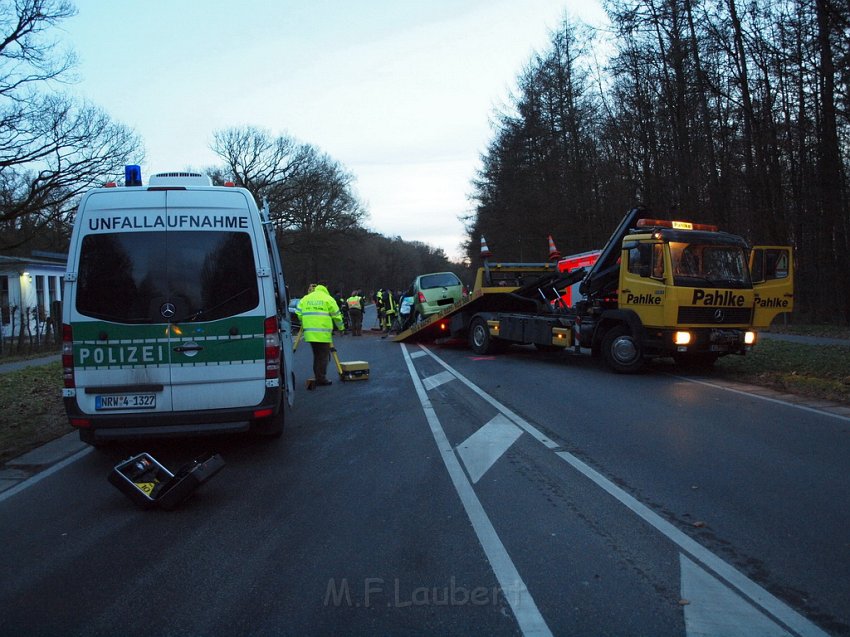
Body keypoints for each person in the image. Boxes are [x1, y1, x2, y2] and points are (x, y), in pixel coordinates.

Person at [295, 283, 344, 386]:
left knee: (317, 355)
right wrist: (341, 328)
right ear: (325, 289)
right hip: (323, 333)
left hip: (309, 333)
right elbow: (337, 316)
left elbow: (298, 312)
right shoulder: (328, 299)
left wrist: (305, 322)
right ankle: (321, 378)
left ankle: (318, 376)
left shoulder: (306, 298)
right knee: (323, 356)